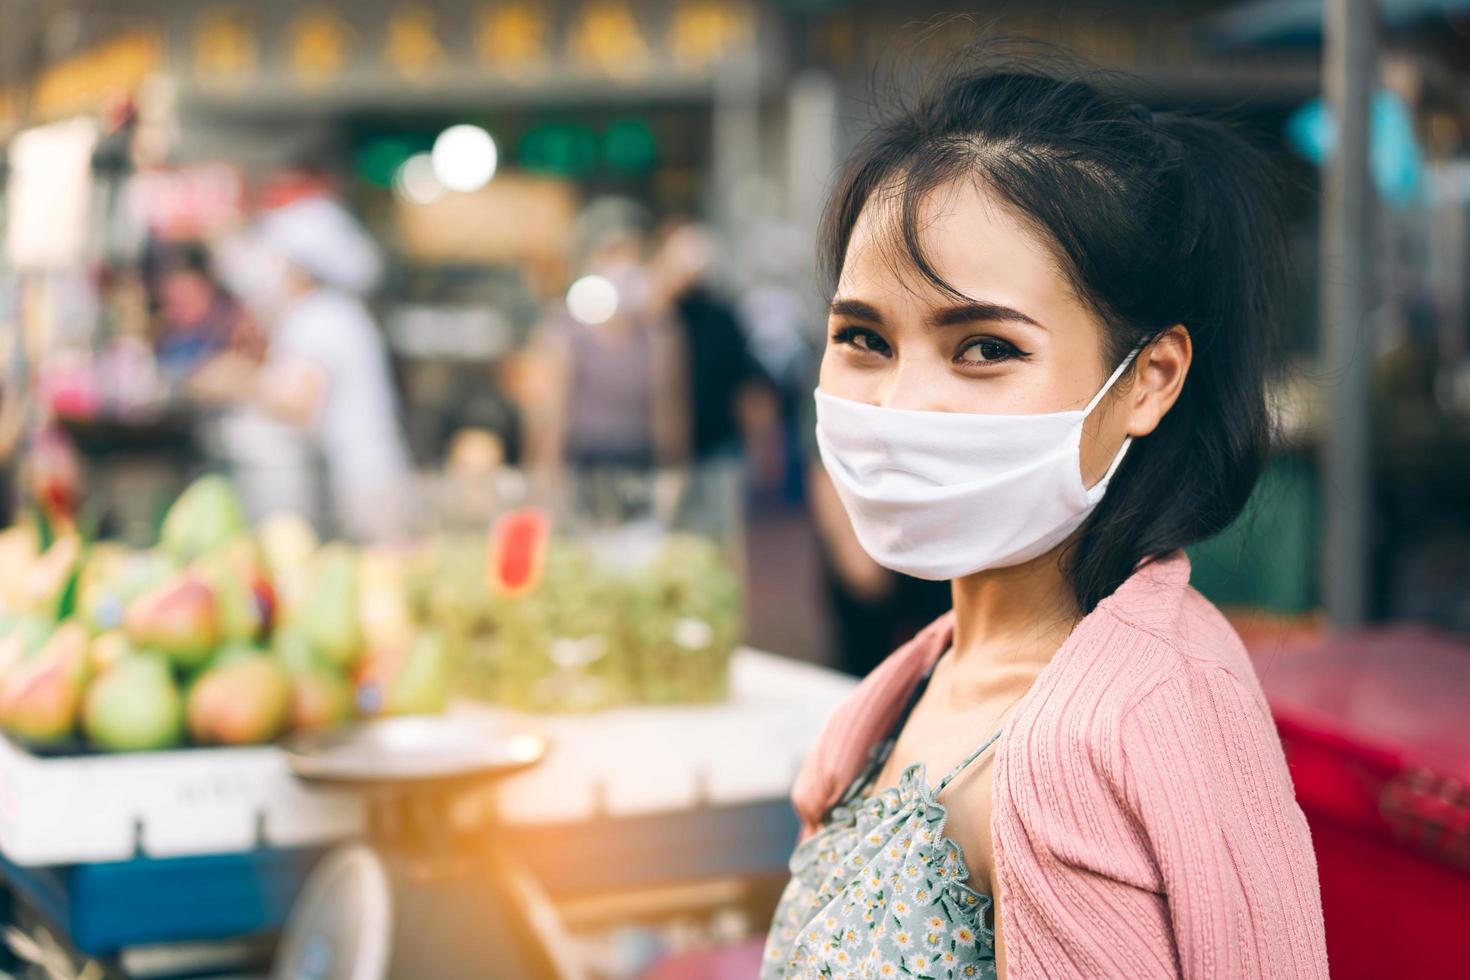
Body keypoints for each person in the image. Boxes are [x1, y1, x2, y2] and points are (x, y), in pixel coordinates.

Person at [763, 55, 1329, 979]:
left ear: (1149, 381)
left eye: (984, 348)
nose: (903, 403)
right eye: (863, 338)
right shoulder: (923, 676)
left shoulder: (1113, 729)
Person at [193, 194, 412, 542]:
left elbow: (300, 402)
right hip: (371, 476)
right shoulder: (337, 312)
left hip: (360, 486)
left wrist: (237, 380)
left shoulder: (316, 317)